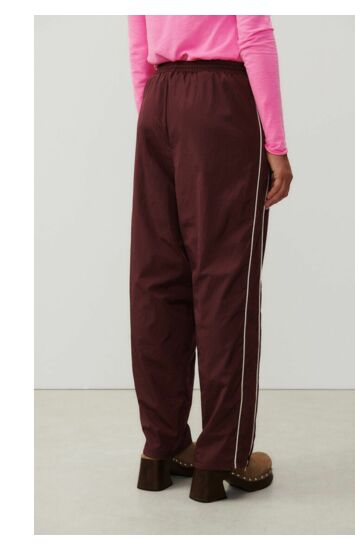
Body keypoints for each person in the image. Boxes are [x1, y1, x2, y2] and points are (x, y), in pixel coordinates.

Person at [127, 15, 293, 503]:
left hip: (158, 99)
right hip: (220, 101)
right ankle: (223, 455)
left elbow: (138, 43)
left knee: (157, 279)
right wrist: (276, 145)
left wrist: (156, 118)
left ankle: (162, 448)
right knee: (225, 280)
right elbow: (254, 36)